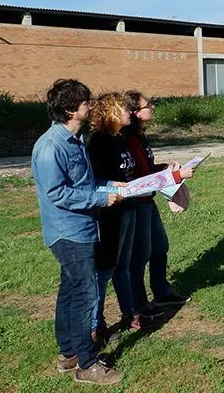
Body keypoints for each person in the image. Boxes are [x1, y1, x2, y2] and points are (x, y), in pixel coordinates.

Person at [31, 79, 124, 386]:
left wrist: (111, 186)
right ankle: (87, 363)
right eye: (85, 102)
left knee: (70, 292)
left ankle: (68, 352)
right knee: (85, 295)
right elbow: (57, 193)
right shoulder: (50, 147)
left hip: (83, 227)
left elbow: (82, 185)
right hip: (68, 233)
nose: (90, 105)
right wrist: (100, 197)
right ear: (71, 109)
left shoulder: (75, 140)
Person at [124, 91, 194, 312]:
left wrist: (165, 168)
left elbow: (147, 169)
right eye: (148, 105)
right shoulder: (129, 139)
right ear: (135, 112)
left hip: (148, 201)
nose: (152, 108)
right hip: (137, 203)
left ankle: (162, 292)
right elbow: (138, 178)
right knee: (140, 255)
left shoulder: (139, 136)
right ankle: (140, 305)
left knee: (160, 246)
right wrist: (175, 177)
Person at [87, 92, 141, 334]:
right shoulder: (99, 143)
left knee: (123, 266)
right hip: (110, 214)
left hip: (128, 209)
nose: (130, 112)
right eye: (124, 109)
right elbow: (92, 181)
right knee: (105, 268)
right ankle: (95, 326)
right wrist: (111, 186)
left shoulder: (119, 139)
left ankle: (129, 313)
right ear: (111, 113)